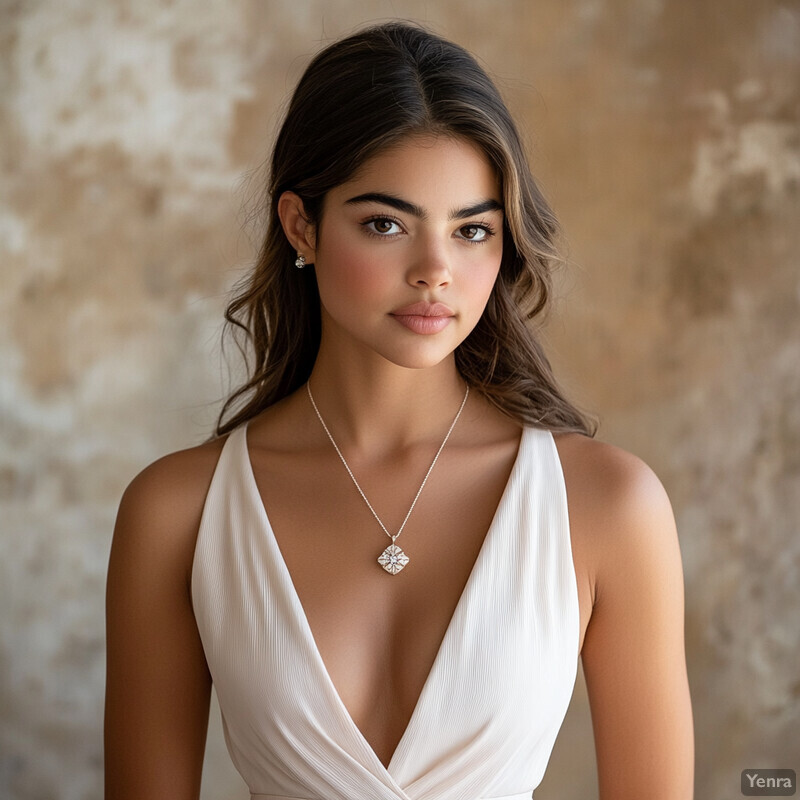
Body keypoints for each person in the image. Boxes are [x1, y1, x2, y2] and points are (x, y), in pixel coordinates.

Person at [104, 21, 694, 800]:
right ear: (300, 226)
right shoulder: (178, 512)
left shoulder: (609, 506)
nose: (435, 272)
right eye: (386, 224)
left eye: (472, 230)